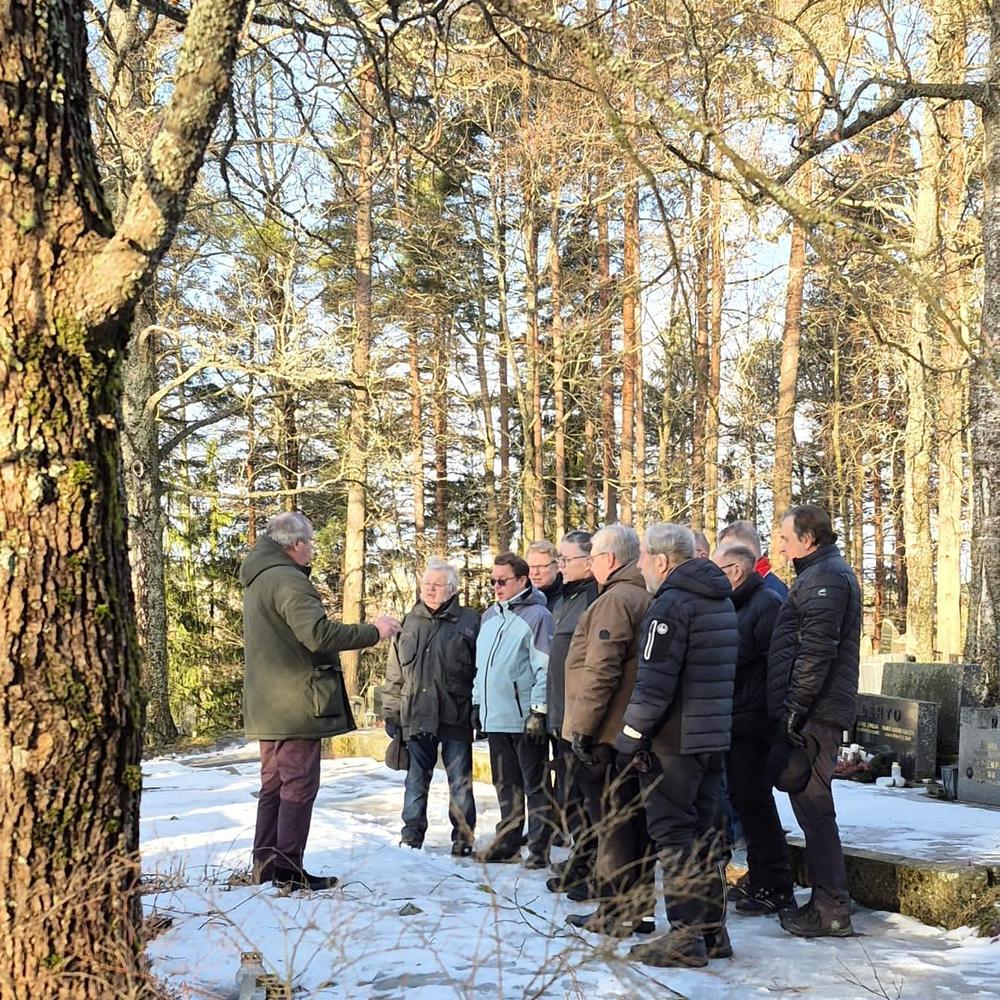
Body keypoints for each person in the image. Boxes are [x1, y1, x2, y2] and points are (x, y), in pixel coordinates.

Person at [241, 511, 401, 890]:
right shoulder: (288, 580)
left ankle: (266, 867)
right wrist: (373, 631)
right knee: (299, 784)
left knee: (274, 784)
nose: (312, 549)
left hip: (269, 704)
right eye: (309, 542)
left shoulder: (259, 577)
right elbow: (317, 634)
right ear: (295, 544)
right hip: (296, 702)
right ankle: (288, 872)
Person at [617, 523, 738, 968]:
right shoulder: (720, 600)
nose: (640, 567)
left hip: (674, 740)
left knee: (674, 836)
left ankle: (686, 937)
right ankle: (712, 931)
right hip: (711, 736)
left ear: (662, 560)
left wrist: (630, 737)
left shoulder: (670, 605)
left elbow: (654, 682)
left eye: (643, 558)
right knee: (706, 834)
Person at [768, 504, 861, 938]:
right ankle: (826, 902)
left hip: (816, 713)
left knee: (816, 809)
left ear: (808, 540)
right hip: (812, 709)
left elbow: (817, 650)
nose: (781, 547)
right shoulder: (817, 574)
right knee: (810, 809)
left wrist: (795, 706)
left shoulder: (826, 578)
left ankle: (832, 908)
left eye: (786, 539)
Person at [562, 524, 655, 936]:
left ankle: (614, 909)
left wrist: (582, 729)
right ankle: (638, 908)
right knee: (633, 823)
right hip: (627, 730)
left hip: (605, 732)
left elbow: (601, 669)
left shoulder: (616, 600)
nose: (589, 564)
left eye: (594, 557)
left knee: (612, 825)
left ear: (610, 559)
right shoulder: (642, 594)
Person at [711, 543, 792, 915]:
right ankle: (760, 879)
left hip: (754, 721)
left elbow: (776, 666)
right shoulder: (737, 603)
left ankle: (775, 885)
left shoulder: (766, 604)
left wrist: (771, 718)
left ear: (735, 570)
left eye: (717, 570)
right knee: (745, 803)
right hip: (736, 719)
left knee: (757, 805)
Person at [382, 558, 480, 856]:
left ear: (452, 589)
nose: (430, 589)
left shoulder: (470, 621)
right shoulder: (409, 621)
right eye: (426, 584)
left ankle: (463, 838)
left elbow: (481, 671)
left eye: (437, 585)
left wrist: (479, 710)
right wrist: (391, 712)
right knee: (415, 780)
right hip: (416, 715)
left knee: (459, 782)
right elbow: (395, 673)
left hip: (456, 714)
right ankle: (411, 836)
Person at [473, 552, 555, 867]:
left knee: (535, 785)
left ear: (522, 580)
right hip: (496, 717)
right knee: (505, 786)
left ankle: (539, 848)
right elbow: (482, 668)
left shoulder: (538, 616)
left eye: (503, 581)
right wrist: (477, 702)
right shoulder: (489, 617)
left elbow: (544, 667)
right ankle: (508, 843)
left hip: (524, 718)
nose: (497, 587)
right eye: (493, 581)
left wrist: (539, 710)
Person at [545, 531, 599, 892]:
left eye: (566, 559)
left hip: (581, 716)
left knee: (589, 797)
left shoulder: (594, 599)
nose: (560, 566)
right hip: (561, 714)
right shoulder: (566, 598)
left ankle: (594, 866)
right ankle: (581, 859)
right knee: (572, 797)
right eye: (559, 560)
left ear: (589, 561)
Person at [718, 520, 789, 599]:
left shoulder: (771, 594)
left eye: (728, 552)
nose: (722, 557)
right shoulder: (747, 589)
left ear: (749, 551)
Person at [527, 540, 563, 609]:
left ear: (557, 566)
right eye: (531, 567)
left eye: (541, 567)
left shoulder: (567, 598)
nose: (535, 572)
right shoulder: (520, 597)